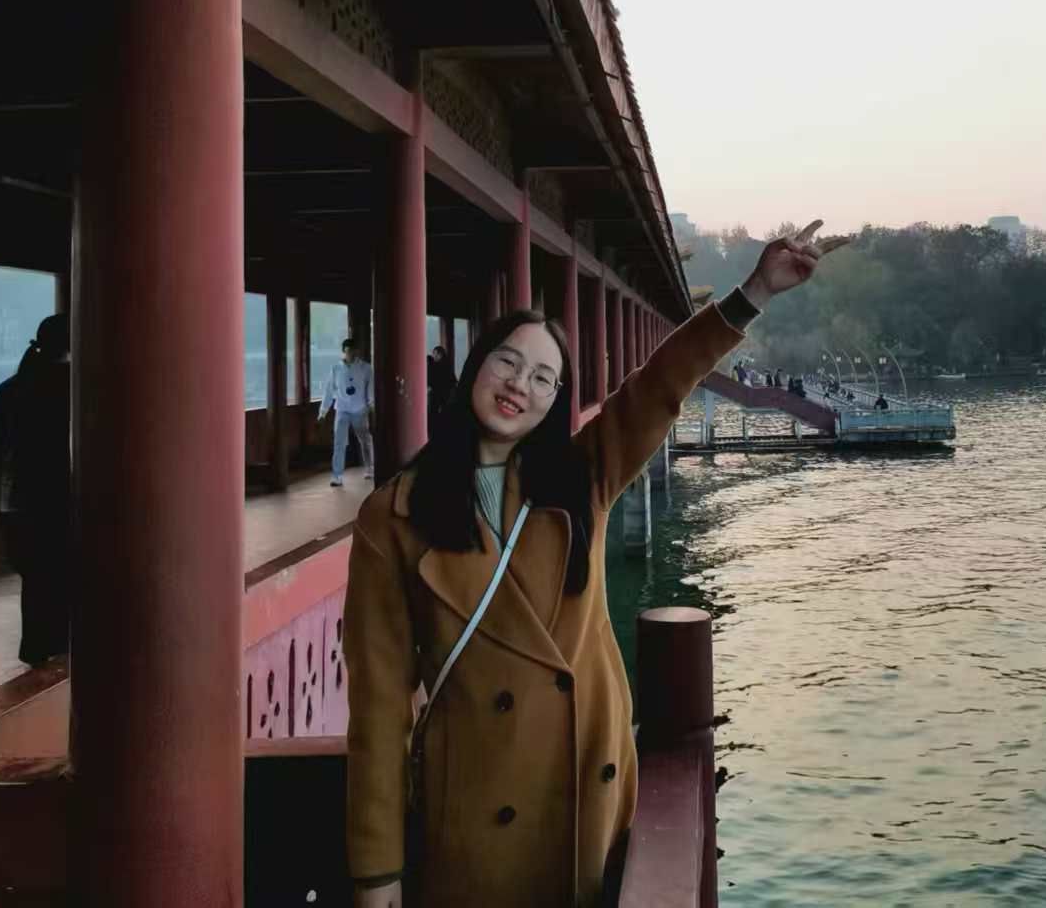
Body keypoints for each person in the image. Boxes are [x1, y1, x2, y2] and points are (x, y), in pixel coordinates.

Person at [344, 220, 848, 906]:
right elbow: (378, 710)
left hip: (591, 805)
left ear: (557, 401)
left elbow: (659, 385)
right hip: (471, 819)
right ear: (474, 367)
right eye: (507, 362)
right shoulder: (393, 517)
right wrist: (376, 874)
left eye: (544, 378)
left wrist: (754, 291)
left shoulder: (580, 479)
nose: (520, 385)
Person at [0, 313, 72, 666]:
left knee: (35, 577)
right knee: (63, 574)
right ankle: (60, 642)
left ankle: (36, 644)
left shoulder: (10, 390)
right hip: (63, 498)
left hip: (16, 502)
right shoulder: (77, 388)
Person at [320, 337, 375, 487]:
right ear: (343, 351)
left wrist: (371, 405)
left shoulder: (366, 368)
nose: (351, 354)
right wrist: (323, 412)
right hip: (342, 409)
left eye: (353, 351)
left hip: (360, 409)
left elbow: (370, 388)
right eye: (348, 351)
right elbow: (329, 391)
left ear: (357, 351)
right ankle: (337, 476)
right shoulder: (336, 369)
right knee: (339, 443)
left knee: (365, 440)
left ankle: (370, 468)